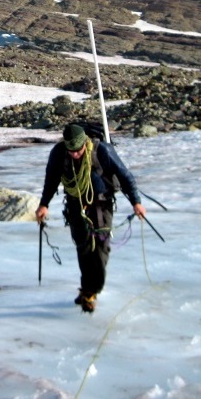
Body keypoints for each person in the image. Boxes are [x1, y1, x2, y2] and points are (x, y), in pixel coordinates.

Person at [36, 123, 146, 313]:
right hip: (75, 203)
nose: (75, 155)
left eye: (78, 151)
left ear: (84, 144)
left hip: (101, 204)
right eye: (71, 151)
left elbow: (125, 176)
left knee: (100, 247)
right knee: (83, 246)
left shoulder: (102, 150)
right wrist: (44, 204)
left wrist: (136, 202)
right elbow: (52, 179)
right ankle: (87, 288)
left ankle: (92, 290)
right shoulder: (59, 153)